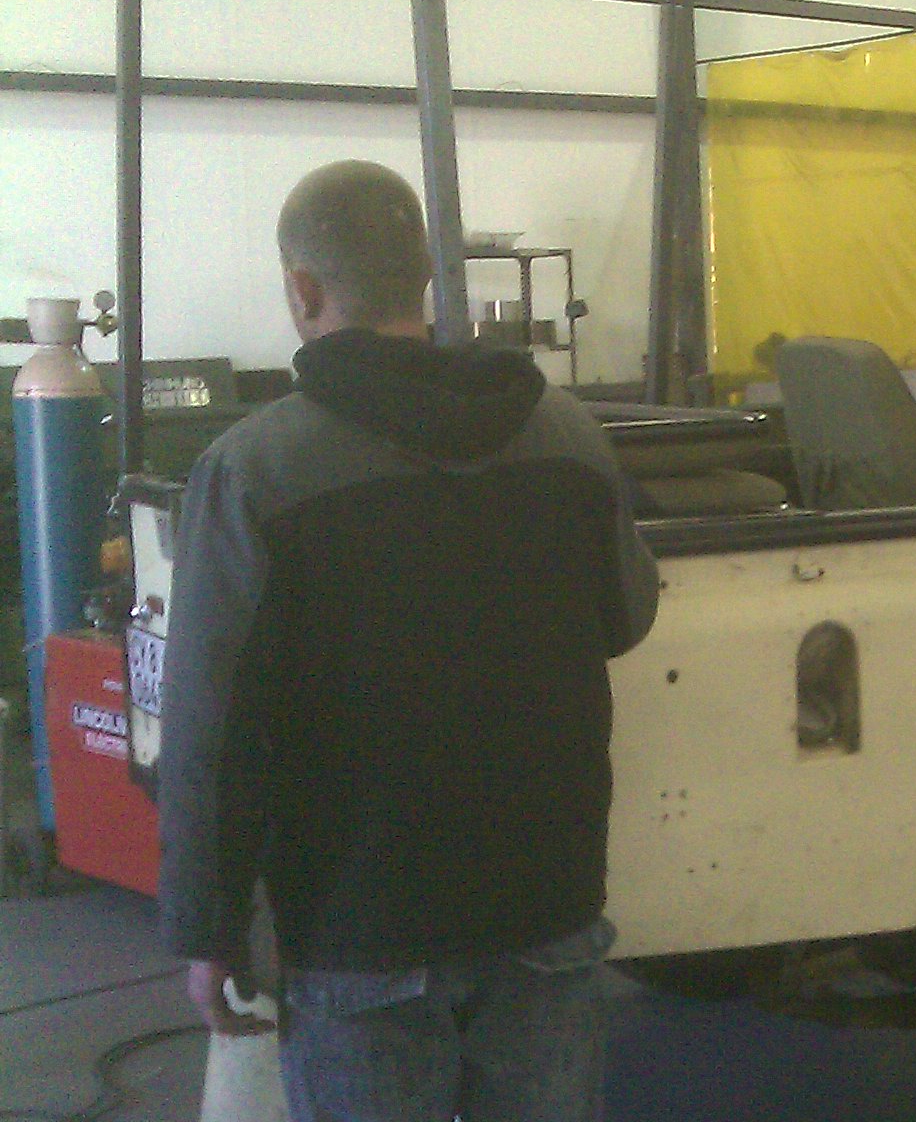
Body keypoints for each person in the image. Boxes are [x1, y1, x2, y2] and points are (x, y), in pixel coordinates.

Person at [157, 159, 660, 1120]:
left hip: (360, 925)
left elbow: (214, 731)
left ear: (302, 289)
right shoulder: (568, 437)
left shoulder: (253, 472)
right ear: (427, 274)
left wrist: (207, 929)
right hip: (546, 903)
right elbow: (626, 618)